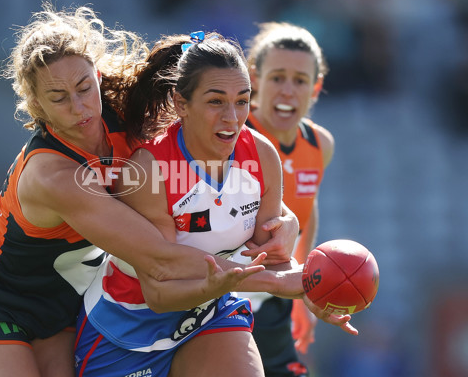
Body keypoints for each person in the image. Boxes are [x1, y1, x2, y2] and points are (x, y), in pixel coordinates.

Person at [0, 4, 301, 377]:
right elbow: (159, 257)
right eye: (58, 97)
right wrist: (276, 280)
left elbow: (232, 179)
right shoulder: (54, 176)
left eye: (84, 87)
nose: (79, 108)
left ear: (97, 76)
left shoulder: (128, 111)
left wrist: (284, 219)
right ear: (36, 105)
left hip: (68, 300)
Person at [74, 31, 356, 377]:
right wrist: (243, 284)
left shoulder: (263, 155)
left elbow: (273, 264)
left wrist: (312, 289)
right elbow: (159, 292)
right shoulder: (150, 169)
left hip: (211, 313)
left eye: (241, 101)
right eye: (215, 101)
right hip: (127, 328)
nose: (232, 117)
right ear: (181, 104)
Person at [235, 21, 335, 376]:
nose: (288, 91)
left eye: (300, 80)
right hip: (228, 293)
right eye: (277, 77)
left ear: (316, 88)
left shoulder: (320, 144)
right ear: (254, 78)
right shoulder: (232, 139)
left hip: (277, 297)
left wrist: (305, 292)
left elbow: (307, 215)